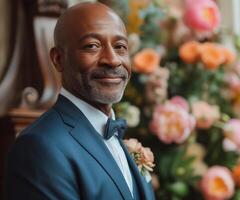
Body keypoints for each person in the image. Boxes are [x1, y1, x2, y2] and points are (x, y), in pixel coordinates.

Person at [4, 2, 155, 200]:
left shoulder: (116, 136)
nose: (113, 60)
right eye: (92, 46)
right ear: (58, 59)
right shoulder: (40, 147)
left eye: (120, 47)